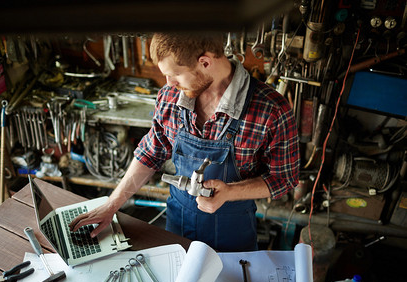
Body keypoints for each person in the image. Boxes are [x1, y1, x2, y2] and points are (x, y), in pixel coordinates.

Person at [70, 33, 300, 252]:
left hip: (233, 234)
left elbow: (284, 179)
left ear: (205, 62)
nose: (168, 83)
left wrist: (230, 191)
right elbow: (151, 153)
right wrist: (111, 206)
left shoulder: (271, 109)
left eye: (175, 75)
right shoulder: (169, 97)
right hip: (178, 225)